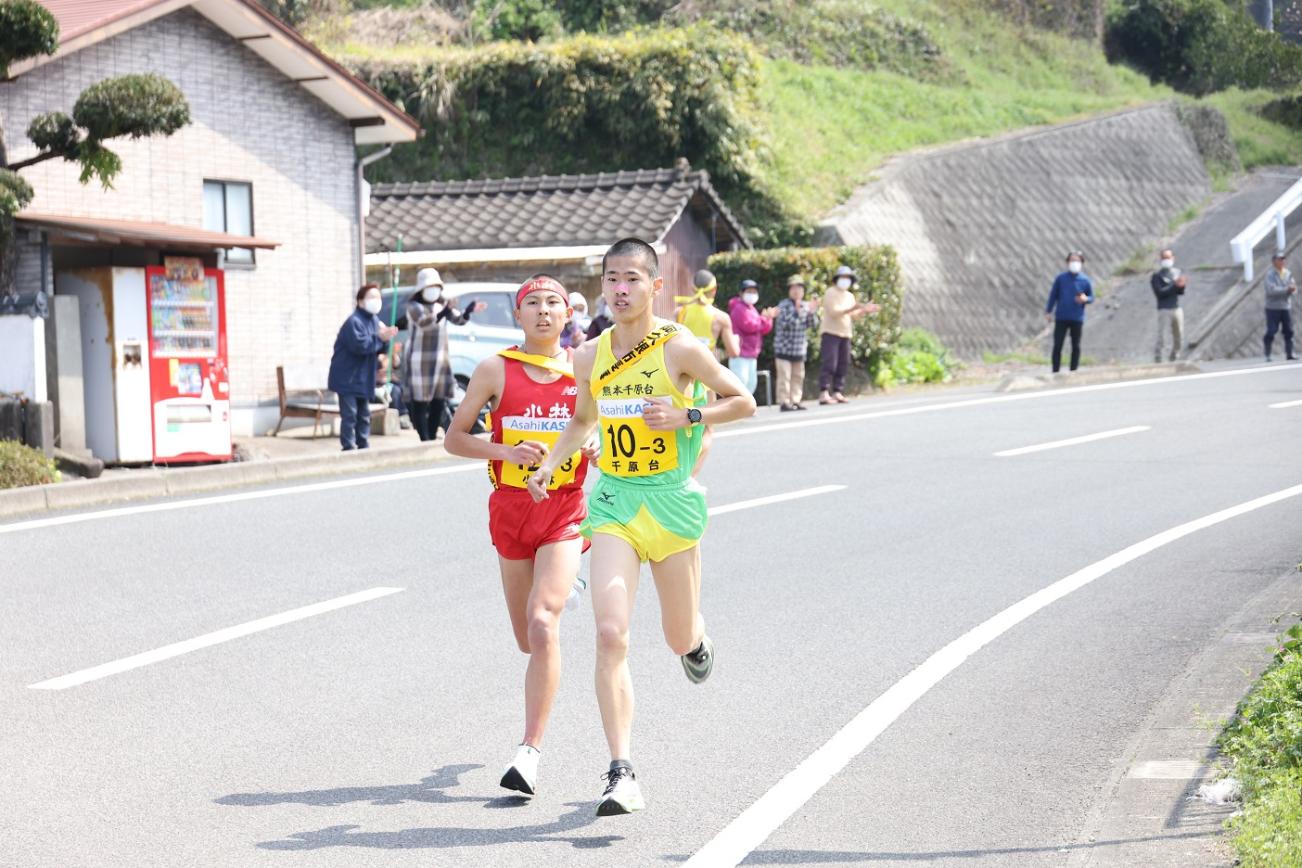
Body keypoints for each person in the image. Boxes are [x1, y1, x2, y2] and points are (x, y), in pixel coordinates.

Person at [527, 238, 756, 817]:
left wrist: (687, 414)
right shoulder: (589, 354)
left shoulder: (680, 346)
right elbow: (583, 419)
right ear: (602, 287)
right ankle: (621, 770)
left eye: (632, 278)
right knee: (610, 633)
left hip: (671, 506)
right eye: (611, 279)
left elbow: (744, 400)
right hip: (615, 505)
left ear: (656, 287)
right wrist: (553, 466)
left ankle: (695, 637)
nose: (620, 288)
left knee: (677, 637)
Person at [444, 274, 594, 799]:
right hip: (510, 508)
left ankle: (528, 751)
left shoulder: (585, 368)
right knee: (525, 640)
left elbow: (603, 426)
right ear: (518, 315)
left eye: (554, 302)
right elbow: (454, 439)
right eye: (533, 303)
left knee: (542, 622)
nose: (545, 311)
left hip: (563, 509)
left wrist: (592, 447)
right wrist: (506, 451)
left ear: (568, 313)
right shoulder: (494, 369)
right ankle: (566, 588)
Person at [404, 267, 483, 441]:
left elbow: (458, 319)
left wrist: (468, 310)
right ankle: (423, 437)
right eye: (429, 286)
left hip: (440, 360)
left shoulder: (442, 305)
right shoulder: (413, 306)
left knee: (438, 401)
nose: (433, 290)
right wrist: (443, 312)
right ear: (421, 289)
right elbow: (425, 323)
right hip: (420, 361)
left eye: (436, 286)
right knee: (420, 402)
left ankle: (431, 436)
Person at [327, 283, 398, 451]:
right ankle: (348, 446)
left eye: (378, 297)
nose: (376, 301)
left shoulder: (374, 321)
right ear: (360, 301)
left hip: (364, 377)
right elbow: (361, 346)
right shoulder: (354, 322)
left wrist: (386, 340)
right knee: (350, 415)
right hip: (347, 377)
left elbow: (377, 347)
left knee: (364, 414)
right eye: (371, 297)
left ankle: (363, 444)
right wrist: (380, 337)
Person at [818, 265, 878, 404]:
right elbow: (834, 312)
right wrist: (853, 307)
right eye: (843, 277)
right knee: (829, 363)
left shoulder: (849, 296)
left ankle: (838, 391)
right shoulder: (830, 292)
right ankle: (824, 391)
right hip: (831, 332)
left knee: (843, 363)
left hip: (845, 333)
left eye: (848, 278)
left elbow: (853, 315)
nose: (845, 280)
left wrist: (864, 310)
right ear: (837, 279)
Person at [773, 274, 819, 411]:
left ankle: (796, 400)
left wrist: (812, 312)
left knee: (798, 376)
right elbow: (786, 324)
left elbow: (813, 324)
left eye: (799, 288)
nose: (796, 291)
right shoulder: (783, 305)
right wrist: (797, 312)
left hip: (799, 349)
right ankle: (784, 402)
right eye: (793, 288)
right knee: (784, 377)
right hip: (784, 349)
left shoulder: (806, 306)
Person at [674, 269, 740, 362]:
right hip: (706, 369)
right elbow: (733, 352)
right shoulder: (721, 317)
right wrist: (736, 340)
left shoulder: (679, 312)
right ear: (714, 289)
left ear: (693, 288)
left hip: (683, 369)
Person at [1044, 250, 1094, 373]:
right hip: (1061, 317)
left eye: (1077, 260)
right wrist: (1048, 311)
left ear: (1082, 262)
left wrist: (1085, 299)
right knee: (1057, 345)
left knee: (1076, 346)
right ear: (1067, 262)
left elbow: (1091, 297)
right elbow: (1053, 295)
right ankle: (1055, 371)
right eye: (1072, 260)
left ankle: (1074, 371)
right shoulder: (1061, 279)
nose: (1074, 263)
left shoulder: (1085, 280)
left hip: (1077, 317)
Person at [727, 279, 777, 395]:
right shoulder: (738, 308)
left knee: (751, 382)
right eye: (749, 291)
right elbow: (749, 326)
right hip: (740, 353)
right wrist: (764, 319)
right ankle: (738, 409)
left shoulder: (752, 309)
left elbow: (763, 329)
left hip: (751, 354)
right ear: (741, 293)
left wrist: (768, 318)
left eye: (754, 292)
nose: (752, 294)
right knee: (741, 382)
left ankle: (745, 408)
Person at [1150, 248, 1186, 362]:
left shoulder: (1177, 272)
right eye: (1164, 258)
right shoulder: (1156, 276)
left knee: (1179, 334)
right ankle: (1158, 357)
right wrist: (1174, 285)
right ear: (1161, 259)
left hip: (1176, 307)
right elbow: (1160, 293)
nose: (1167, 260)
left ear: (1173, 258)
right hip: (1164, 309)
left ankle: (1175, 355)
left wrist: (1181, 285)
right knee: (1162, 335)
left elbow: (1180, 292)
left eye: (1168, 257)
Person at [1264, 251, 1298, 362]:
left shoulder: (1287, 273)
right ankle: (1267, 354)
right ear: (1274, 262)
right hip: (1272, 307)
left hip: (1285, 306)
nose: (1282, 261)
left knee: (1289, 331)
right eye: (1279, 259)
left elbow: (1293, 286)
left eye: (1283, 259)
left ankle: (1290, 353)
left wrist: (1293, 290)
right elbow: (1271, 290)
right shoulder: (1270, 275)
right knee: (1272, 330)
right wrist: (1286, 289)